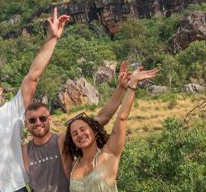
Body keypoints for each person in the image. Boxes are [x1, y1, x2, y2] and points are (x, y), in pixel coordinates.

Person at [0, 8, 70, 192]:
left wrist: (52, 39)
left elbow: (33, 76)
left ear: (0, 91)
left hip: (13, 188)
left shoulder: (12, 111)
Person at [21, 63, 134, 192]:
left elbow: (102, 118)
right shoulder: (24, 151)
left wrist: (121, 88)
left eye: (42, 118)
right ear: (26, 123)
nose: (38, 122)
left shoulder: (63, 139)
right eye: (32, 120)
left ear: (50, 119)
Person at [64, 67, 158, 192]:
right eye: (74, 134)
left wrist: (132, 85)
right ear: (72, 141)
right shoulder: (74, 166)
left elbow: (121, 118)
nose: (80, 135)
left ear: (95, 131)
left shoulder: (109, 155)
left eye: (83, 129)